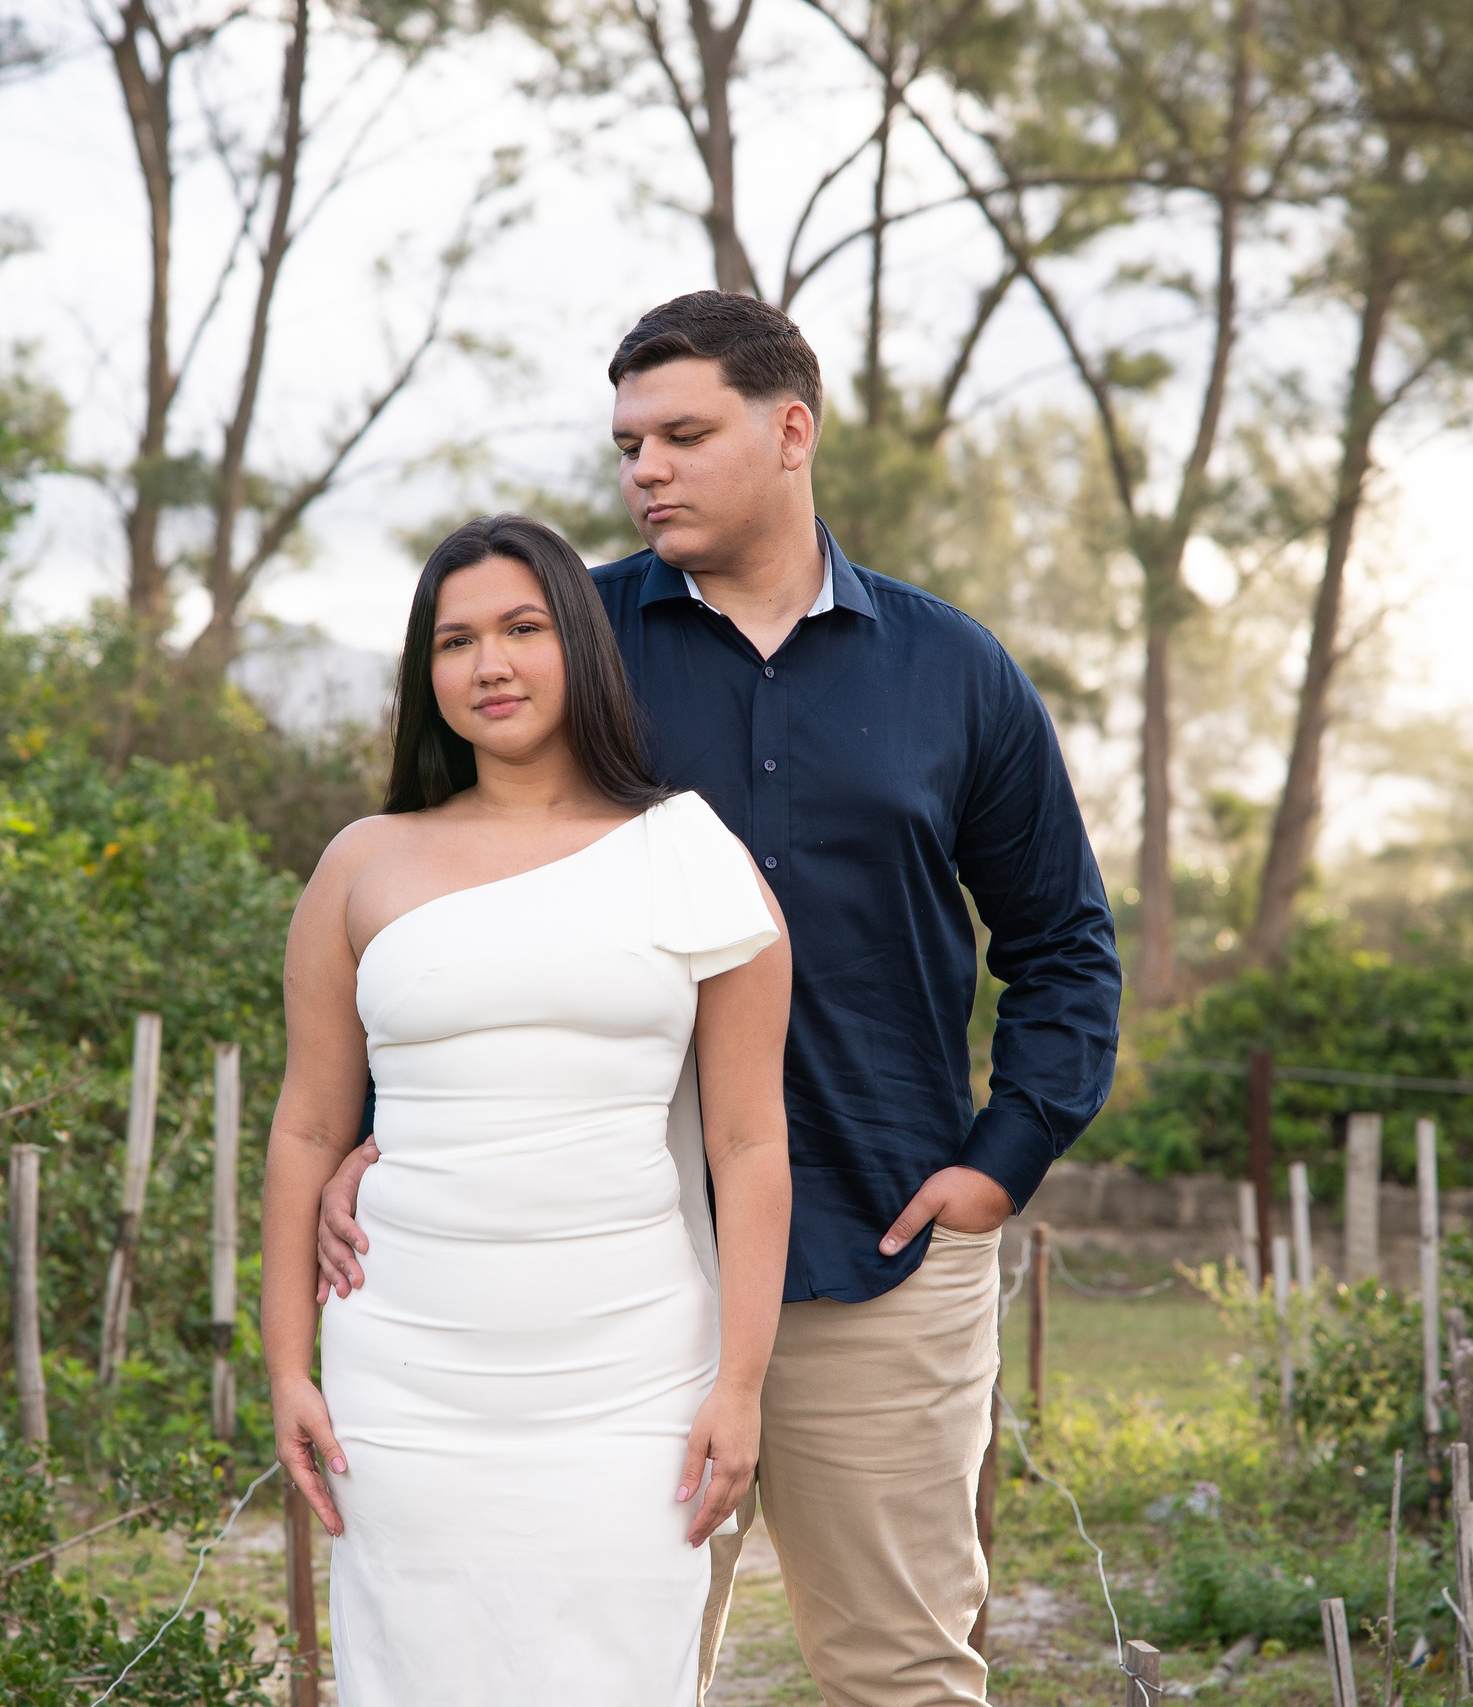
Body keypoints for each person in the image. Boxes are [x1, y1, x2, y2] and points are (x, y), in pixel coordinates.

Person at [316, 293, 1123, 1706]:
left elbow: (1061, 941)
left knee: (901, 1670)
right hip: (603, 1278)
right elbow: (441, 901)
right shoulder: (564, 645)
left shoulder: (955, 672)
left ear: (791, 431)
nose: (646, 470)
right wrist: (387, 1125)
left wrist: (1001, 1161)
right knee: (605, 1672)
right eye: (629, 444)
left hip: (878, 1243)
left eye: (682, 436)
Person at [259, 513, 796, 1705]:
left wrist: (739, 1384)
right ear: (426, 673)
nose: (488, 665)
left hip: (629, 1369)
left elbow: (750, 1140)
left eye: (521, 629)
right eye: (454, 642)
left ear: (580, 648)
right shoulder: (362, 862)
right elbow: (307, 1128)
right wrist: (288, 1367)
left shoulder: (688, 852)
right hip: (404, 1370)